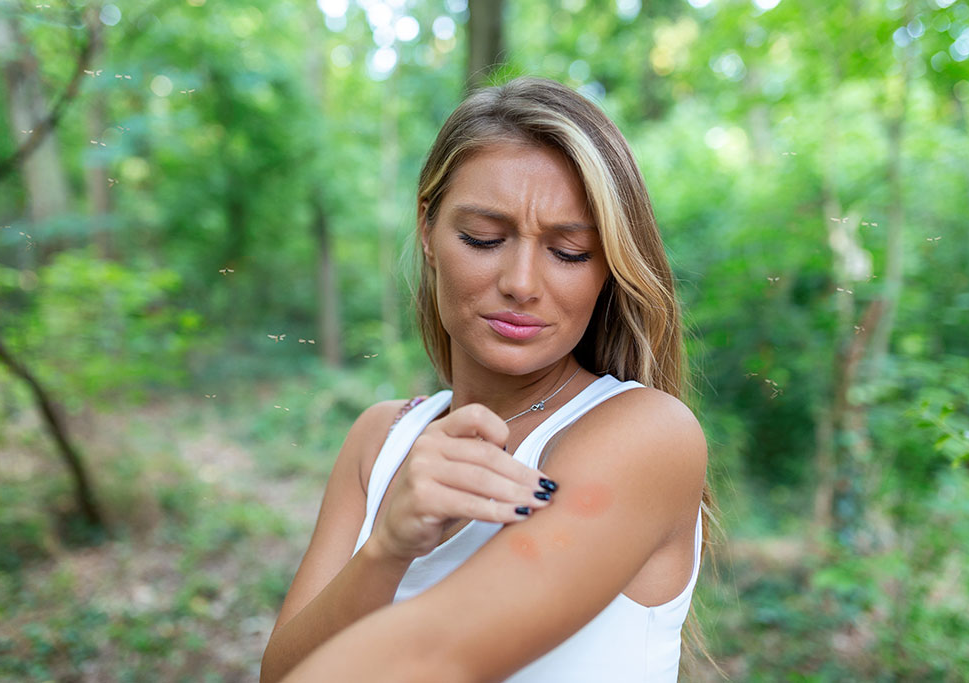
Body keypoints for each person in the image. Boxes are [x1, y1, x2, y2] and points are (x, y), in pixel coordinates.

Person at [260, 77, 711, 683]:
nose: (521, 282)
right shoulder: (380, 439)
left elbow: (428, 662)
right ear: (428, 229)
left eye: (570, 251)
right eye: (484, 238)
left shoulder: (649, 435)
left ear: (610, 264)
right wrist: (386, 550)